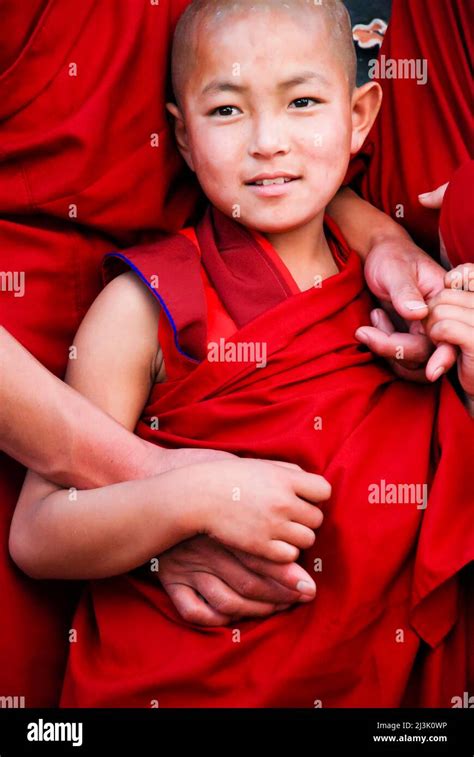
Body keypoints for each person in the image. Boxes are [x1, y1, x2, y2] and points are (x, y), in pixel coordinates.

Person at [9, 0, 473, 707]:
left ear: (360, 117)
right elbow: (39, 533)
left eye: (303, 102)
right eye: (227, 111)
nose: (268, 141)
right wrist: (183, 498)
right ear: (181, 137)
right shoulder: (147, 304)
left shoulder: (402, 303)